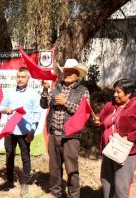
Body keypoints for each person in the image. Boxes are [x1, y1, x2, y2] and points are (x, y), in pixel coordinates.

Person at [40, 59, 89, 198]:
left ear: (77, 74)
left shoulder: (83, 91)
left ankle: (73, 195)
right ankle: (56, 193)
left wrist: (66, 103)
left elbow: (84, 112)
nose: (67, 73)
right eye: (65, 71)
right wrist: (45, 89)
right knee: (54, 168)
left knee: (71, 168)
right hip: (54, 134)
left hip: (71, 137)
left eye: (70, 71)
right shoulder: (56, 88)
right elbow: (44, 104)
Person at [0, 67, 41, 196]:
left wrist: (32, 131)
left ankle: (25, 183)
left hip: (25, 131)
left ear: (28, 78)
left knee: (25, 157)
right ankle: (10, 180)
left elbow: (37, 114)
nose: (20, 79)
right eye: (18, 76)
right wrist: (4, 109)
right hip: (11, 130)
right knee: (9, 155)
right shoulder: (9, 92)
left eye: (23, 77)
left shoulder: (33, 94)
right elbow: (0, 107)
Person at [93, 79, 136, 198]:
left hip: (125, 152)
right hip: (109, 149)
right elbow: (100, 119)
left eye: (118, 92)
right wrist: (98, 122)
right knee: (106, 181)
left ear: (129, 94)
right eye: (114, 91)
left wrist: (129, 137)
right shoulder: (111, 105)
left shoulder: (134, 106)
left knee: (121, 186)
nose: (115, 95)